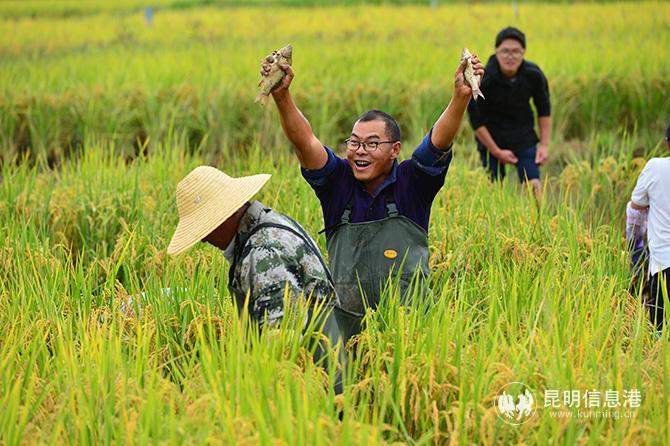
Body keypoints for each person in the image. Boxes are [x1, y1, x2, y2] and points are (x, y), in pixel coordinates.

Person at [261, 50, 484, 342]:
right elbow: (305, 142)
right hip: (347, 339)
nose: (360, 150)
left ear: (395, 150)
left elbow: (439, 141)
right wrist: (281, 96)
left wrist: (460, 97)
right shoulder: (337, 184)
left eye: (372, 143)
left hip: (412, 335)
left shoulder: (412, 183)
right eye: (354, 142)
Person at [166, 166, 345, 388]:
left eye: (204, 230)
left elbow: (283, 338)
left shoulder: (263, 251)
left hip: (314, 387)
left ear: (224, 216)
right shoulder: (268, 225)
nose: (203, 240)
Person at [466, 26, 551, 202]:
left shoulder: (533, 75)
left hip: (523, 134)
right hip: (491, 136)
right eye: (505, 51)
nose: (510, 56)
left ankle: (540, 222)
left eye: (515, 52)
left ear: (523, 52)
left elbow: (544, 108)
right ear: (496, 51)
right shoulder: (483, 78)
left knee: (534, 184)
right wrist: (496, 151)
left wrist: (544, 145)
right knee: (494, 186)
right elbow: (476, 120)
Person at [627, 123, 670, 331]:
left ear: (667, 144)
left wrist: (635, 252)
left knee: (660, 341)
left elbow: (635, 211)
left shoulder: (656, 167)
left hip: (664, 268)